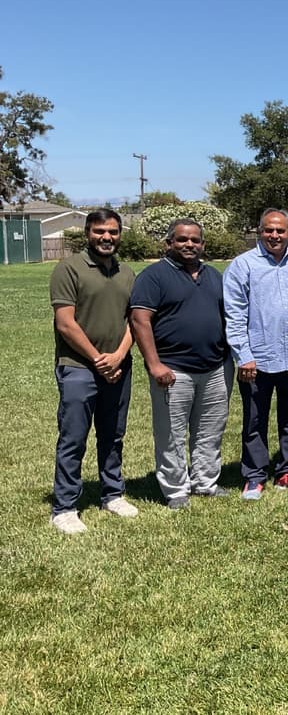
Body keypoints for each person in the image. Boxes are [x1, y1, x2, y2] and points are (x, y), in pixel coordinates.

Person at [223, 209, 288, 501]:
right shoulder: (242, 266)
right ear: (259, 232)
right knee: (254, 421)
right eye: (269, 230)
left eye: (280, 231)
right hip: (256, 360)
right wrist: (243, 355)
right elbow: (234, 315)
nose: (274, 236)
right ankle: (254, 477)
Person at [130, 218, 231, 510]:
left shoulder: (214, 276)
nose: (189, 245)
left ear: (203, 245)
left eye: (195, 240)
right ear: (169, 243)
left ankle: (206, 482)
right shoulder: (154, 276)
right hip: (173, 369)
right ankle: (175, 489)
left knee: (210, 430)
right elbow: (140, 320)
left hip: (214, 367)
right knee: (171, 432)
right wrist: (154, 364)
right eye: (182, 239)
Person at [49, 209, 137, 534]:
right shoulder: (68, 269)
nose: (107, 237)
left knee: (113, 435)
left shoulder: (127, 273)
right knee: (73, 437)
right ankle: (65, 507)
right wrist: (99, 359)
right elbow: (65, 323)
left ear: (119, 234)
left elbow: (135, 321)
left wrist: (119, 355)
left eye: (113, 232)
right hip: (78, 368)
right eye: (100, 231)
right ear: (88, 233)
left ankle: (112, 494)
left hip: (118, 366)